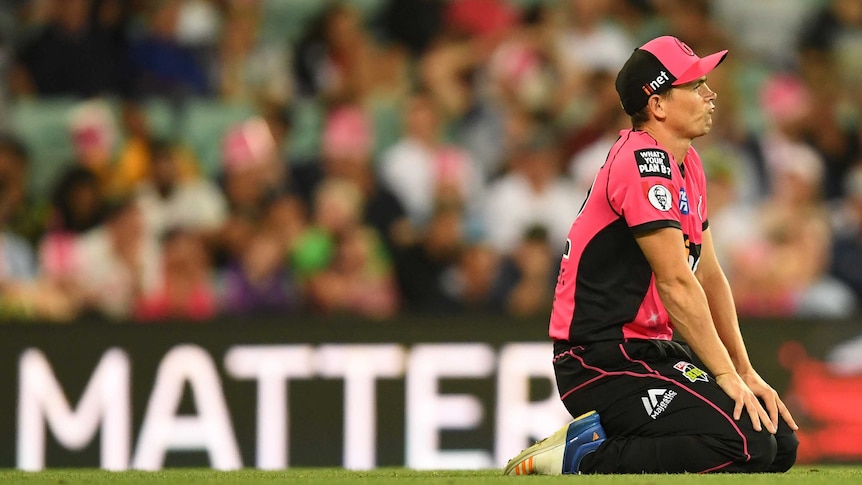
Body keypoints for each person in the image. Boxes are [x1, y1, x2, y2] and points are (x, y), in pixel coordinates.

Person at [503, 36, 799, 475]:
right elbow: (677, 284)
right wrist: (724, 375)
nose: (710, 94)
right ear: (657, 104)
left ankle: (605, 442)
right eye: (695, 86)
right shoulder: (642, 164)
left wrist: (744, 370)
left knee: (779, 441)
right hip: (601, 358)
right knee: (748, 443)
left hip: (653, 350)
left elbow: (709, 274)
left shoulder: (688, 163)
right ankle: (582, 457)